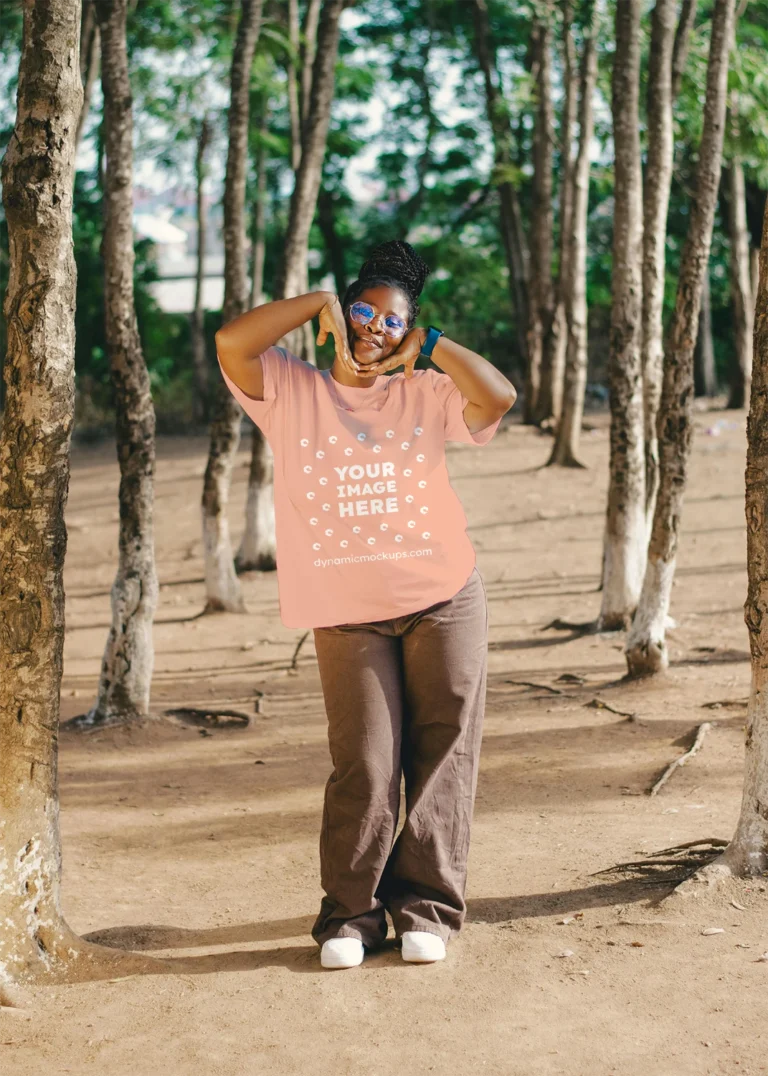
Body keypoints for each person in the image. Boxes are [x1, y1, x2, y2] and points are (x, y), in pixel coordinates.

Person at [215, 239, 516, 969]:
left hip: (442, 596)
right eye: (361, 311)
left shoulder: (425, 391)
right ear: (341, 315)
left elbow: (498, 395)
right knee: (366, 764)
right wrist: (314, 303)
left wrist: (432, 346)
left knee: (444, 753)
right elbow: (231, 340)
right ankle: (350, 915)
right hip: (347, 612)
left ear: (408, 330)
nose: (374, 328)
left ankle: (428, 909)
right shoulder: (290, 389)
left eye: (393, 320)